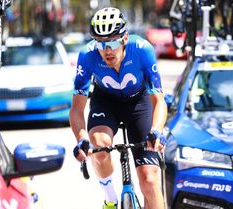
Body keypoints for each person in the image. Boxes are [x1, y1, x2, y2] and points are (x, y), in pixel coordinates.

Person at [69, 7, 167, 209]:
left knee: (149, 180)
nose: (106, 49)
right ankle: (111, 199)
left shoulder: (142, 50)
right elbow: (77, 108)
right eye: (100, 43)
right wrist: (81, 139)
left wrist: (156, 131)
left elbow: (159, 101)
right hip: (105, 101)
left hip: (139, 103)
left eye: (112, 42)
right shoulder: (87, 56)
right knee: (99, 144)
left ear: (125, 39)